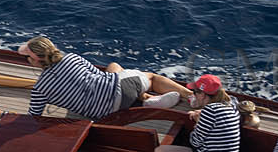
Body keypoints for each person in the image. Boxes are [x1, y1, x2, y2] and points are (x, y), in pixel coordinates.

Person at [22, 37, 187, 118]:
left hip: (104, 114)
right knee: (149, 77)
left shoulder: (39, 89)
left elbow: (33, 118)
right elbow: (100, 76)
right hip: (123, 91)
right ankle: (189, 96)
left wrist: (3, 114)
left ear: (35, 60)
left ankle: (146, 101)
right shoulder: (71, 58)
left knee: (114, 71)